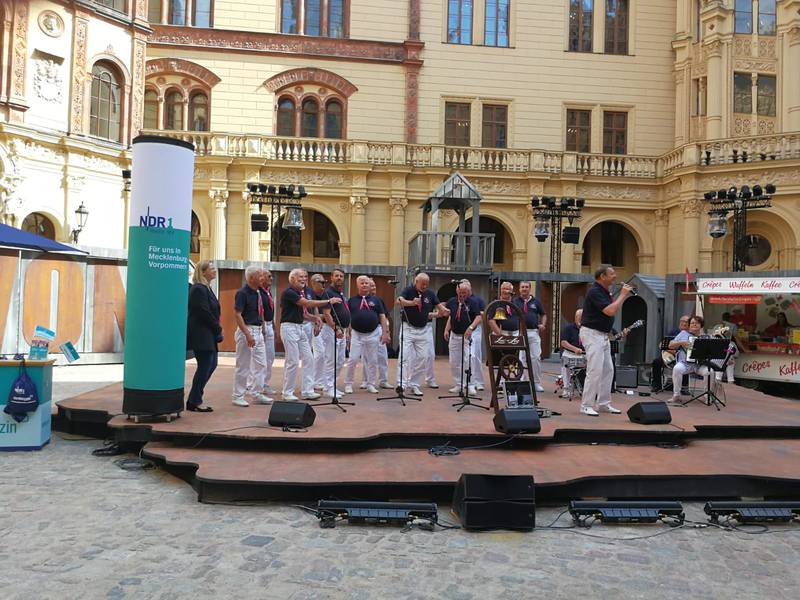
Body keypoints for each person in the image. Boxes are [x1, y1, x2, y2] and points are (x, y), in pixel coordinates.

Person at [280, 268, 341, 401]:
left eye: (305, 276)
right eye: (300, 277)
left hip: (301, 327)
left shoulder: (304, 292)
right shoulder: (289, 292)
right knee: (293, 360)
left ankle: (307, 390)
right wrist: (328, 301)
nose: (304, 279)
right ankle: (287, 392)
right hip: (289, 328)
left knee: (309, 358)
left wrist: (315, 318)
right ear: (292, 279)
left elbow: (304, 314)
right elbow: (307, 303)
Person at [579, 265, 632, 416]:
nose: (615, 276)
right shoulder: (595, 291)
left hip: (602, 335)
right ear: (602, 276)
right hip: (592, 334)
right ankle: (586, 405)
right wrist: (623, 295)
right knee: (594, 370)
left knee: (608, 369)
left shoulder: (604, 291)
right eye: (612, 274)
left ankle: (603, 403)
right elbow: (610, 311)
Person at [395, 273, 450, 396]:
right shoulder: (408, 290)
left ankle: (414, 384)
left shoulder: (430, 293)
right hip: (408, 329)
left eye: (427, 284)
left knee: (423, 358)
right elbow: (398, 301)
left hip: (423, 330)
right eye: (422, 284)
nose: (424, 286)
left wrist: (444, 310)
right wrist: (412, 303)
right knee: (404, 357)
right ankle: (401, 384)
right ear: (416, 281)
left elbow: (439, 306)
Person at [232, 266, 272, 407]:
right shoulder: (242, 293)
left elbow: (261, 312)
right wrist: (247, 334)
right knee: (243, 365)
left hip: (258, 330)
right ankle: (238, 395)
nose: (263, 278)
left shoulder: (259, 292)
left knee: (262, 364)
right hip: (247, 330)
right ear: (251, 278)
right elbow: (237, 314)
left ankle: (257, 393)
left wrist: (263, 329)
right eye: (260, 276)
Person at [344, 276, 390, 393]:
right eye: (362, 283)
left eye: (366, 283)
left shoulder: (376, 300)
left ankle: (371, 384)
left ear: (370, 285)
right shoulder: (352, 300)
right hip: (357, 334)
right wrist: (347, 333)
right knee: (353, 359)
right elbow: (348, 317)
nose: (364, 285)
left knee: (372, 360)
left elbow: (382, 316)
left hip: (373, 334)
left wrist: (385, 332)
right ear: (357, 285)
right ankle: (348, 384)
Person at [186, 261, 222, 412]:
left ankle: (194, 399)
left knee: (210, 365)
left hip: (208, 333)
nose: (215, 271)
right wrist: (217, 327)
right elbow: (203, 311)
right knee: (205, 366)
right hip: (202, 334)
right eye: (212, 269)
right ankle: (194, 401)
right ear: (203, 272)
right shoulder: (198, 289)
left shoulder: (206, 288)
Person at [443, 282, 483, 395]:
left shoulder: (473, 302)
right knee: (454, 361)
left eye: (465, 293)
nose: (462, 295)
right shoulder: (452, 301)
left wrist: (471, 328)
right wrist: (446, 329)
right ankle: (458, 384)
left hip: (467, 336)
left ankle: (470, 384)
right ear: (457, 292)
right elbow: (450, 316)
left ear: (468, 292)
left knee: (470, 359)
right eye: (460, 293)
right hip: (455, 335)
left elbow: (478, 317)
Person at [320, 268, 349, 398]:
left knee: (340, 360)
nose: (339, 278)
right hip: (331, 330)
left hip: (342, 330)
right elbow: (326, 314)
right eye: (336, 276)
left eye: (341, 276)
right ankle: (328, 388)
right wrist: (335, 328)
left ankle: (332, 385)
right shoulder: (328, 293)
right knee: (331, 360)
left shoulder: (340, 293)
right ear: (331, 277)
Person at [513, 281, 546, 393]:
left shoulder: (536, 302)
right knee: (522, 358)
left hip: (533, 332)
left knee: (535, 357)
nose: (524, 289)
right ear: (519, 289)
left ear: (530, 288)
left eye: (526, 287)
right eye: (522, 287)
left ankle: (536, 382)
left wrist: (543, 324)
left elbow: (543, 314)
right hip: (520, 332)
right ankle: (523, 381)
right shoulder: (515, 301)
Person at [668, 315, 708, 404]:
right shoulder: (683, 334)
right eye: (692, 323)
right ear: (689, 325)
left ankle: (708, 397)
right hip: (685, 364)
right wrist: (682, 343)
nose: (694, 324)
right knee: (677, 368)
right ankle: (676, 395)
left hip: (699, 365)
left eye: (697, 323)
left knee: (710, 371)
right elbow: (670, 345)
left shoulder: (705, 337)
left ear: (701, 325)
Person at [459, 279, 486, 391]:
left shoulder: (478, 300)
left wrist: (477, 314)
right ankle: (465, 381)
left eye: (467, 288)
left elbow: (483, 314)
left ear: (470, 288)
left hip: (475, 329)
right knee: (466, 358)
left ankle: (478, 381)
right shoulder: (460, 300)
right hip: (463, 330)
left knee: (475, 356)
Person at [258, 269, 277, 395]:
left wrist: (273, 326)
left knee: (270, 356)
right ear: (261, 278)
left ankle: (265, 382)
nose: (271, 278)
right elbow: (261, 310)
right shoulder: (258, 292)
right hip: (262, 326)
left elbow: (270, 310)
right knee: (260, 358)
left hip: (270, 324)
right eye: (269, 276)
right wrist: (264, 327)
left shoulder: (268, 292)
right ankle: (254, 384)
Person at [309, 273, 328, 391]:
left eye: (324, 282)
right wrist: (323, 316)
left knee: (325, 354)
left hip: (326, 326)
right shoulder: (309, 294)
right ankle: (315, 381)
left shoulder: (326, 294)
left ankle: (320, 380)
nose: (323, 284)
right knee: (319, 353)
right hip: (312, 325)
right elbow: (308, 312)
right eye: (321, 282)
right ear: (313, 283)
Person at [559, 309, 583, 399]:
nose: (581, 320)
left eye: (583, 318)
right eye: (579, 318)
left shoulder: (588, 330)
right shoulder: (568, 328)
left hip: (584, 354)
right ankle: (566, 388)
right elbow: (563, 343)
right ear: (575, 317)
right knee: (565, 362)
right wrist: (575, 349)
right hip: (570, 353)